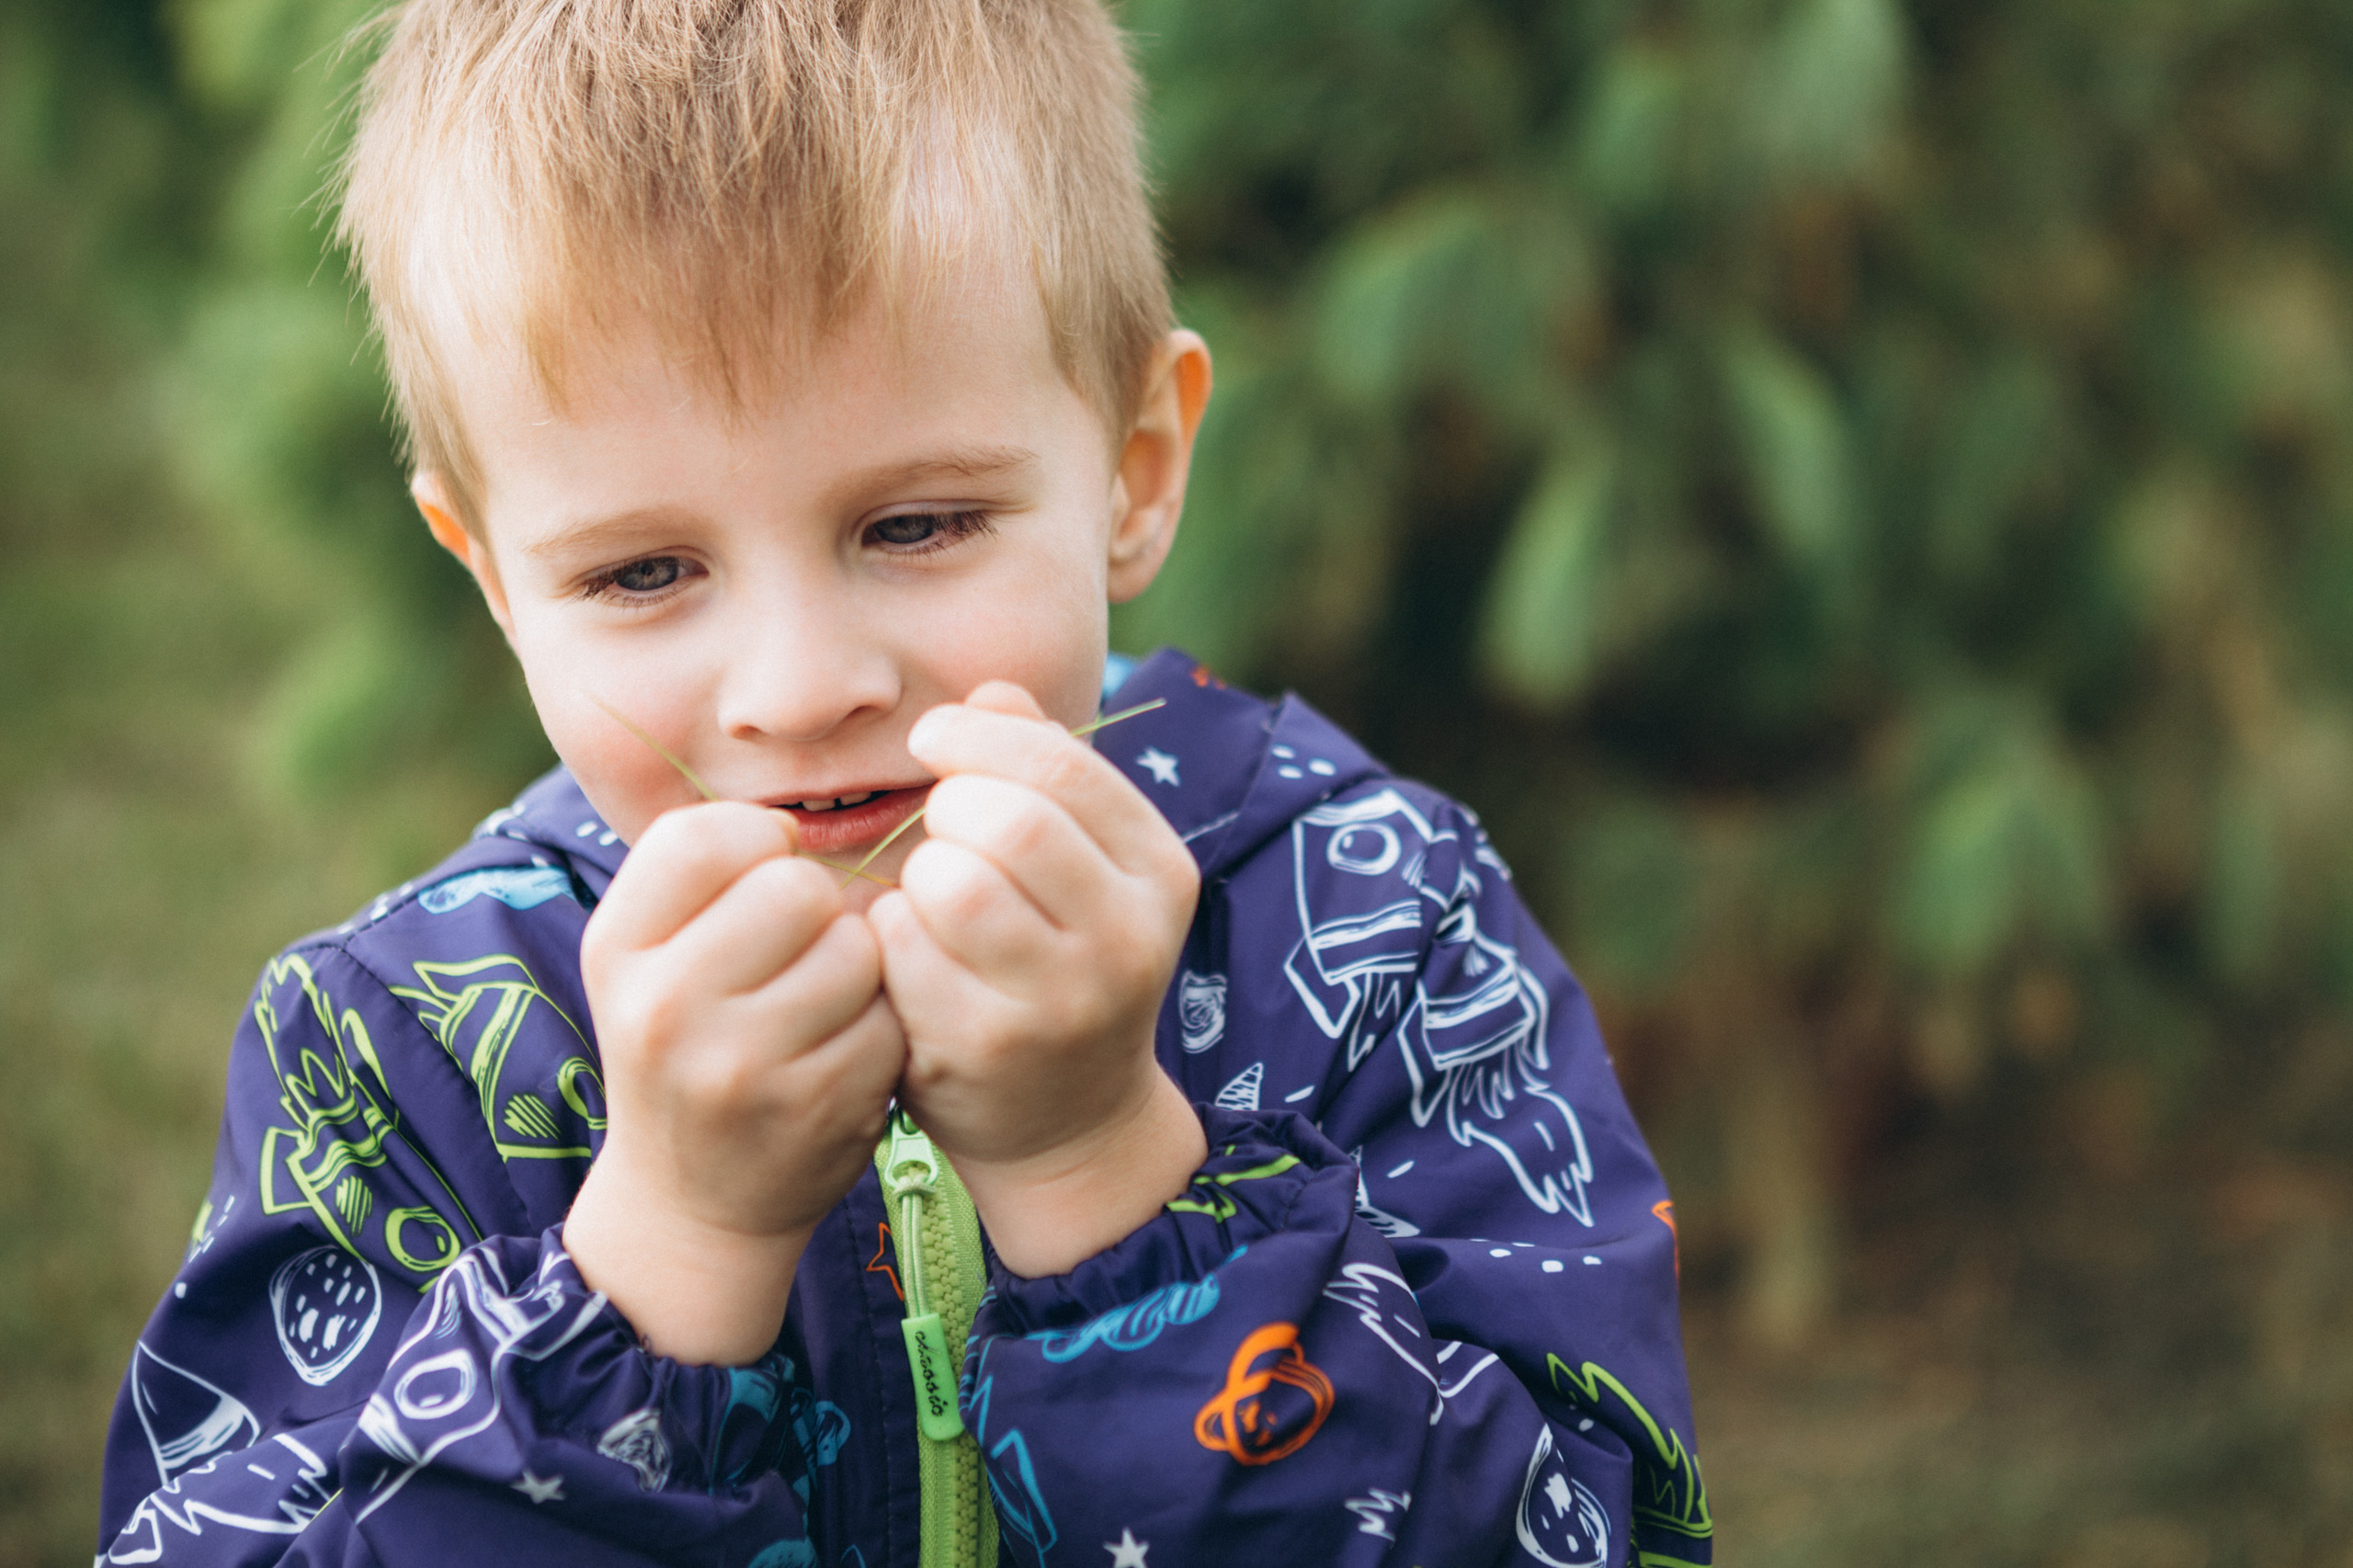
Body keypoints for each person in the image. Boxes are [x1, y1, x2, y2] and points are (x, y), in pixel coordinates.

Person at [96, 2, 1711, 1563]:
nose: (803, 689)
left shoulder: (1376, 918)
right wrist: (667, 1253)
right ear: (498, 577)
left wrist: (1106, 1173)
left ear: (1135, 469)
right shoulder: (398, 1056)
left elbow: (1588, 1527)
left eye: (918, 525)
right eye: (645, 570)